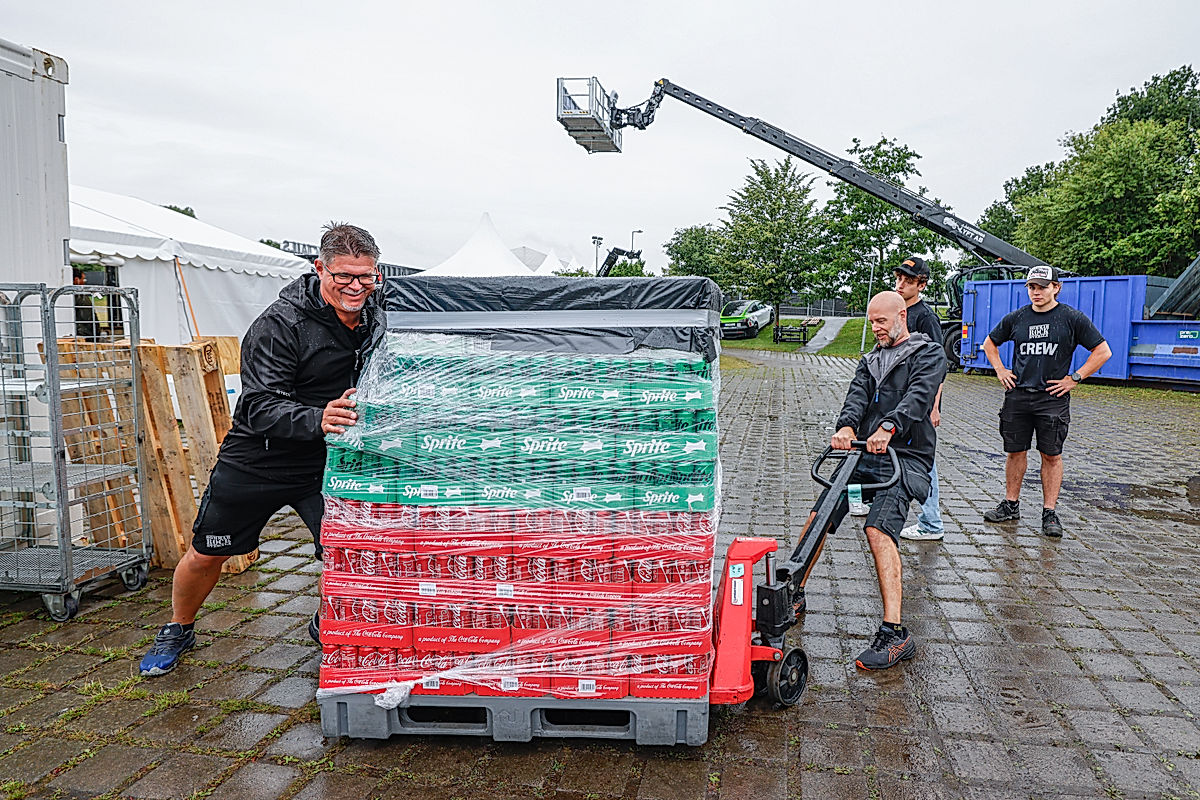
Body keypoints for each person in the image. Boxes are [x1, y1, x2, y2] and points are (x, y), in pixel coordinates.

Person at [140, 222, 383, 676]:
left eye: (365, 276)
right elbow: (255, 406)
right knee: (208, 551)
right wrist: (317, 418)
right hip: (260, 457)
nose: (355, 287)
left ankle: (326, 621)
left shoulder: (376, 310)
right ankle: (178, 627)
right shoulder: (279, 326)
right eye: (343, 277)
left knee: (350, 551)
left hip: (327, 461)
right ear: (320, 269)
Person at [796, 291, 946, 670]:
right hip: (862, 452)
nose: (876, 328)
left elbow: (919, 397)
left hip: (905, 456)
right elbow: (857, 396)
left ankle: (895, 632)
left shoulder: (928, 353)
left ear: (901, 316)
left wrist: (890, 425)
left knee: (878, 529)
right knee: (819, 516)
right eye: (872, 322)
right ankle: (792, 593)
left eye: (882, 321)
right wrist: (847, 425)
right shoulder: (871, 360)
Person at [981, 265, 1110, 538]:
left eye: (1042, 286)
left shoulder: (1071, 318)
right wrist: (1001, 370)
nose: (1036, 292)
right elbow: (989, 344)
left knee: (1051, 455)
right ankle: (1010, 505)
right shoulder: (1017, 318)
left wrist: (1074, 378)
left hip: (1052, 398)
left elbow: (1102, 351)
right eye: (1031, 287)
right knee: (1015, 452)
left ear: (1056, 287)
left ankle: (1049, 512)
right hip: (1018, 396)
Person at [892, 256, 947, 542]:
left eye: (908, 281)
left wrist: (933, 407)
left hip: (921, 401)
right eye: (898, 278)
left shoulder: (925, 317)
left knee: (924, 460)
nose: (901, 284)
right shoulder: (896, 312)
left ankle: (931, 523)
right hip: (897, 400)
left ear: (921, 285)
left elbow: (938, 365)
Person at [72, 268, 101, 339]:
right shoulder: (80, 297)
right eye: (83, 279)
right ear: (76, 280)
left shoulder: (79, 296)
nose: (84, 282)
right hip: (85, 336)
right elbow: (86, 318)